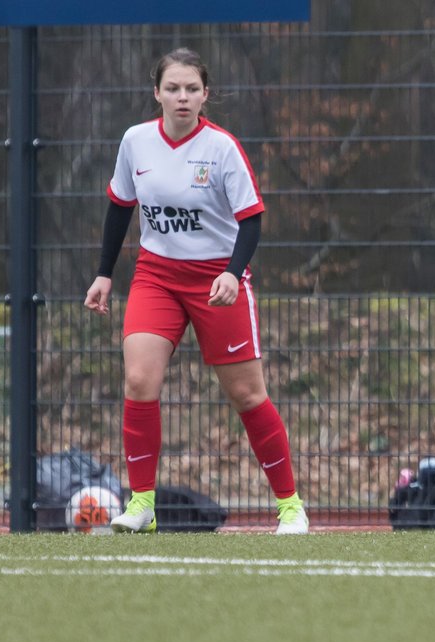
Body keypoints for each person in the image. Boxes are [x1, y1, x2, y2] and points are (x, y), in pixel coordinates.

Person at [84, 48, 307, 535]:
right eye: (172, 88)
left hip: (215, 280)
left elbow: (250, 220)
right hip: (156, 275)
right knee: (139, 381)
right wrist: (104, 273)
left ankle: (290, 506)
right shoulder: (136, 141)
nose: (181, 97)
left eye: (191, 89)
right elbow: (120, 207)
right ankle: (142, 504)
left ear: (205, 95)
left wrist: (232, 272)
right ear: (156, 92)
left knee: (248, 395)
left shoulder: (222, 147)